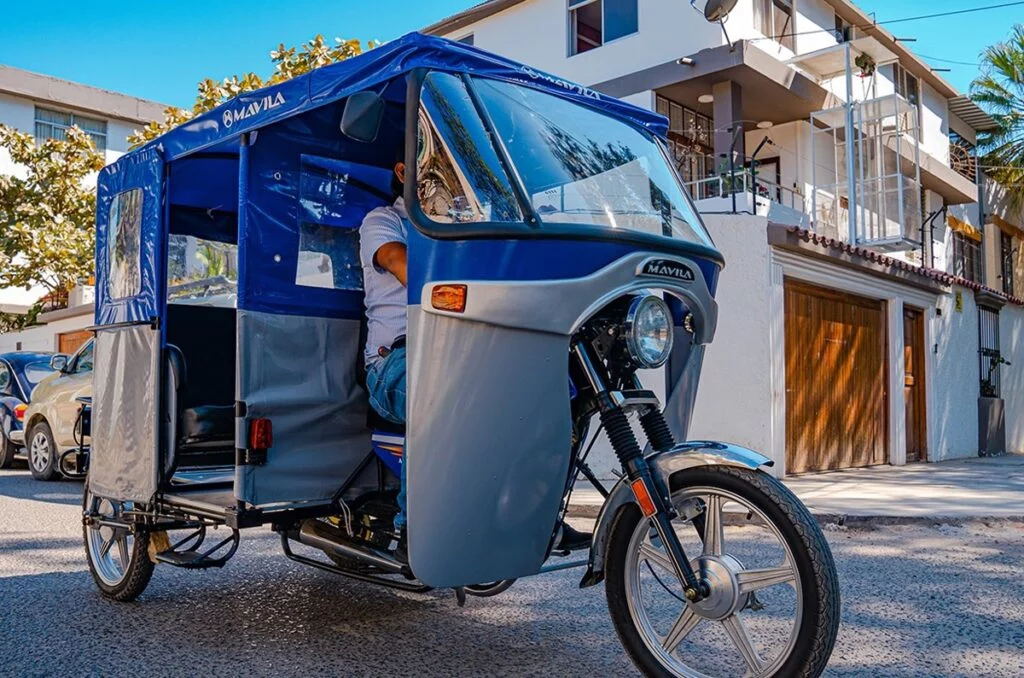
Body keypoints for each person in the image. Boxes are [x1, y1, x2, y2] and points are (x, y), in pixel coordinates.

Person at [360, 147, 589, 562]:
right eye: (437, 168)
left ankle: (538, 517)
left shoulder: (463, 231)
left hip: (460, 356)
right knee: (441, 393)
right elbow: (402, 265)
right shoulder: (384, 221)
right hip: (393, 364)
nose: (449, 178)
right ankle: (415, 531)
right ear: (403, 170)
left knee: (558, 393)